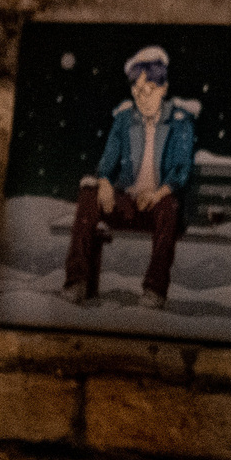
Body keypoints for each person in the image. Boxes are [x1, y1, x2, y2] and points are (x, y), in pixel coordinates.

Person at [61, 44, 196, 310]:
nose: (141, 97)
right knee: (88, 195)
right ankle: (76, 281)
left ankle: (155, 289)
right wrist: (104, 183)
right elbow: (107, 161)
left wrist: (156, 194)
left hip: (158, 205)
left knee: (169, 207)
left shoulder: (180, 122)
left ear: (163, 89)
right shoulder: (125, 119)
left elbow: (181, 170)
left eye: (148, 90)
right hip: (128, 202)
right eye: (136, 90)